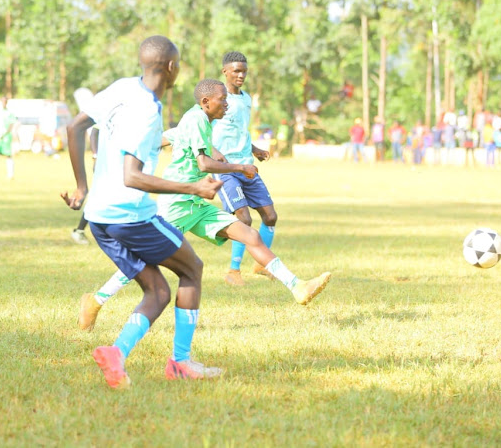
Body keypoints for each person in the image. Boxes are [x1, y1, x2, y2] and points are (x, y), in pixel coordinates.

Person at [78, 79, 331, 331]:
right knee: (144, 262)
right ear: (206, 102)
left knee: (250, 235)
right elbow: (203, 164)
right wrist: (239, 166)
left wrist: (210, 148)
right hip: (177, 204)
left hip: (197, 203)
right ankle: (96, 301)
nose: (227, 104)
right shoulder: (197, 119)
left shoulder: (199, 120)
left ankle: (297, 286)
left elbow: (166, 138)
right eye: (223, 99)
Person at [62, 35, 223, 388]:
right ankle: (181, 362)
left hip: (101, 217)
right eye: (178, 64)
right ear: (170, 67)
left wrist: (82, 187)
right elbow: (132, 176)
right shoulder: (148, 109)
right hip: (129, 214)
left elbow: (74, 127)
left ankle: (116, 355)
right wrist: (194, 187)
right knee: (192, 268)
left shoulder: (122, 88)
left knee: (158, 292)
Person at [210, 51, 280, 287]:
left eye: (244, 71)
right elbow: (198, 128)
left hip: (246, 166)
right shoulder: (215, 98)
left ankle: (261, 264)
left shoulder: (247, 99)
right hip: (225, 168)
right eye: (236, 71)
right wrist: (211, 150)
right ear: (225, 72)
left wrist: (255, 149)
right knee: (244, 220)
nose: (241, 75)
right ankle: (233, 270)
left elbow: (240, 131)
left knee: (270, 216)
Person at [71, 126, 99, 245]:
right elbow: (94, 133)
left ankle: (80, 230)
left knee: (99, 197)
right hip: (103, 163)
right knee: (98, 197)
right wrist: (95, 155)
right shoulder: (109, 111)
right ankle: (79, 230)